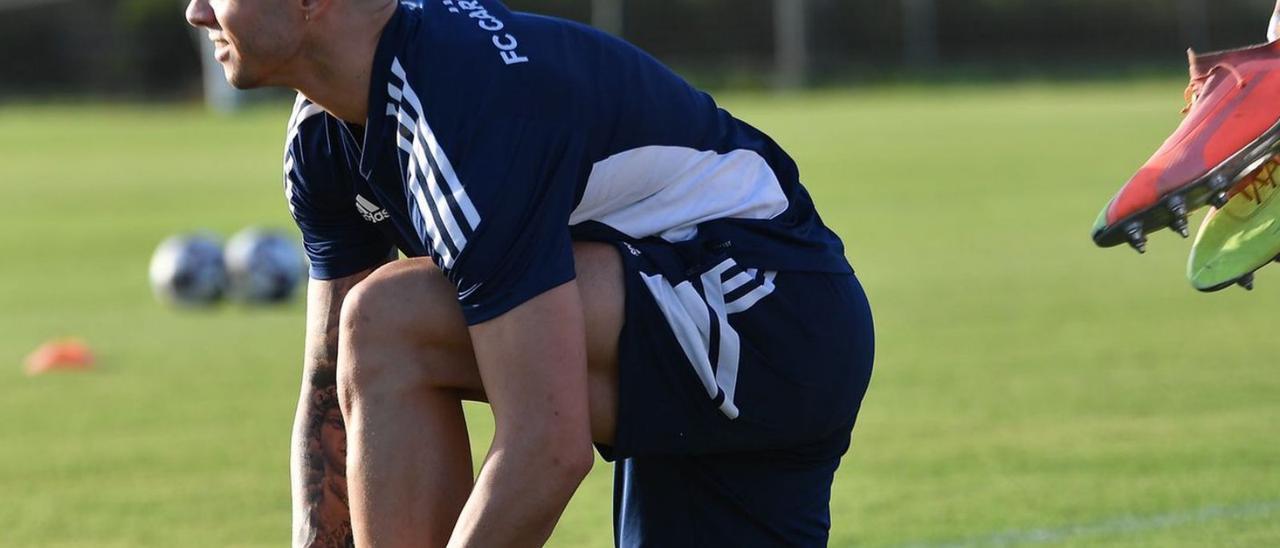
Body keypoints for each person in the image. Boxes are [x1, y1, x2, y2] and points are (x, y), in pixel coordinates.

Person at [184, 0, 875, 546]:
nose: (196, 12)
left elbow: (546, 446)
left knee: (389, 320)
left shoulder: (461, 110)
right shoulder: (326, 130)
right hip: (690, 316)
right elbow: (330, 389)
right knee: (370, 329)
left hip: (770, 317)